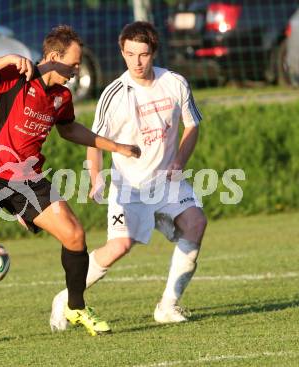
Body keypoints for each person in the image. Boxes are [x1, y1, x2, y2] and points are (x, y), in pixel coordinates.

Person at [0, 25, 141, 348]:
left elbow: (69, 129)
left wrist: (115, 147)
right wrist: (6, 57)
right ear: (52, 57)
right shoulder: (17, 76)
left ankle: (76, 307)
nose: (77, 70)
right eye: (72, 64)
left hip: (28, 180)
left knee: (74, 235)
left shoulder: (62, 96)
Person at [50, 21, 207, 331]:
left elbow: (192, 125)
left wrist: (179, 161)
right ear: (122, 52)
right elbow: (93, 140)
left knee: (196, 223)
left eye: (144, 54)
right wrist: (96, 177)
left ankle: (168, 305)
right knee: (119, 247)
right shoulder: (116, 94)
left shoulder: (175, 82)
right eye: (130, 54)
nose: (137, 62)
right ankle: (66, 298)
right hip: (130, 186)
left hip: (166, 182)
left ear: (154, 53)